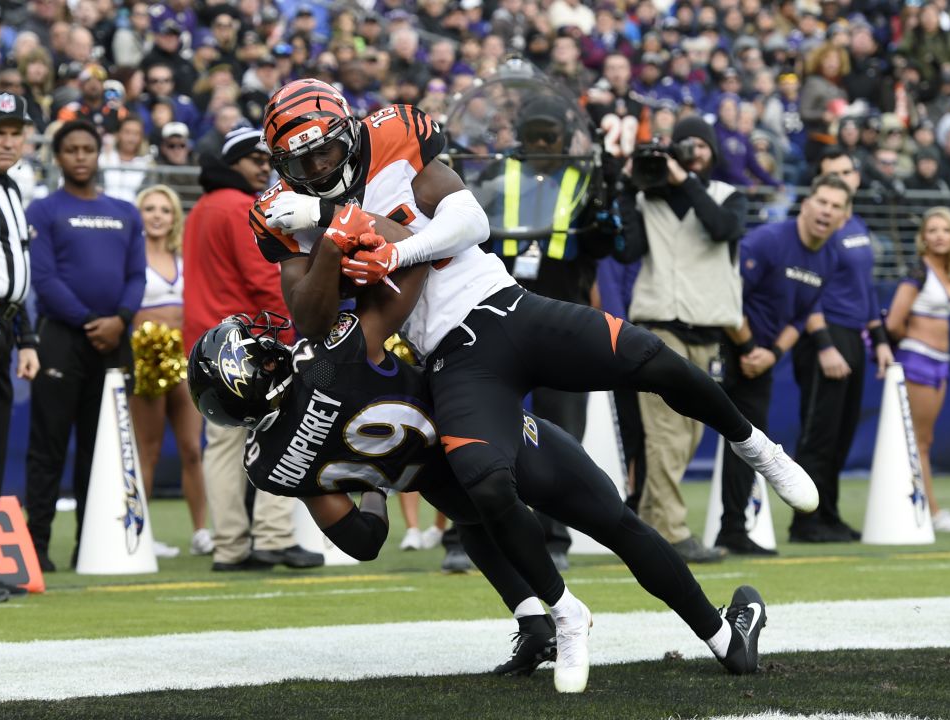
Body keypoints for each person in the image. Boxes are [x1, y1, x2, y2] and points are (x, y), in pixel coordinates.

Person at [253, 79, 816, 692]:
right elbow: (310, 314)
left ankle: (755, 446)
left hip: (506, 307)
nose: (316, 168)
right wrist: (336, 235)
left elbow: (470, 222)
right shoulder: (287, 216)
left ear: (349, 136)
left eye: (325, 153)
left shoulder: (393, 139)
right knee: (484, 488)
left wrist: (376, 240)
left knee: (651, 358)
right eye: (300, 161)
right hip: (451, 358)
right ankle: (562, 614)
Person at [185, 235, 769, 684]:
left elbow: (362, 542)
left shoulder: (273, 463)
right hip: (492, 435)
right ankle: (723, 639)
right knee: (617, 524)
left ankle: (534, 621)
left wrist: (374, 482)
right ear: (256, 369)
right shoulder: (328, 356)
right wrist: (370, 247)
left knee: (476, 519)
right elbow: (411, 269)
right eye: (254, 345)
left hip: (442, 485)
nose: (263, 338)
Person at [476, 92, 620, 570]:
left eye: (549, 136)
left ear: (565, 137)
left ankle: (556, 539)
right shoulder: (496, 175)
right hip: (499, 316)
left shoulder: (584, 178)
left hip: (562, 320)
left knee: (563, 436)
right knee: (481, 428)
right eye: (533, 135)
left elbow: (606, 245)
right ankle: (478, 535)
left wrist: (608, 202)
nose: (540, 144)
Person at [182, 127, 324, 572]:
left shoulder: (201, 208)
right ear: (231, 163)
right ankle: (274, 537)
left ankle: (229, 546)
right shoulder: (241, 208)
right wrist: (298, 327)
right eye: (253, 159)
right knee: (279, 434)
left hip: (207, 345)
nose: (263, 166)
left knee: (221, 446)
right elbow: (265, 278)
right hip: (248, 347)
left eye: (267, 159)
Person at [615, 115, 747, 564]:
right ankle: (673, 531)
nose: (693, 155)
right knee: (666, 434)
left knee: (688, 435)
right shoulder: (645, 199)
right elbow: (628, 251)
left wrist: (685, 179)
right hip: (658, 328)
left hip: (708, 333)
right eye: (684, 148)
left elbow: (721, 228)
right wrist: (628, 187)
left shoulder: (728, 195)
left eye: (700, 147)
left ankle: (647, 527)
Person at [24, 120, 146, 572]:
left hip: (115, 342)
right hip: (60, 339)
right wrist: (91, 321)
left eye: (87, 149)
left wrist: (120, 321)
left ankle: (91, 547)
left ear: (99, 155)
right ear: (57, 157)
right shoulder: (43, 210)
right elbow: (44, 278)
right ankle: (35, 549)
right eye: (71, 149)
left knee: (103, 450)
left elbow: (137, 275)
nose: (79, 156)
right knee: (48, 447)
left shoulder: (125, 212)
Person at [716, 174, 854, 555]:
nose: (827, 211)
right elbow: (727, 295)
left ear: (845, 216)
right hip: (724, 345)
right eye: (822, 201)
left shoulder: (829, 257)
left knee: (749, 443)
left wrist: (771, 356)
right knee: (680, 434)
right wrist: (747, 348)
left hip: (760, 358)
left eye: (836, 206)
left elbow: (801, 318)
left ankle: (732, 531)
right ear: (806, 204)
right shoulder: (767, 240)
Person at [789, 149, 894, 543]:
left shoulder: (857, 225)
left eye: (847, 172)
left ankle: (828, 513)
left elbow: (865, 288)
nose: (842, 178)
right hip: (825, 334)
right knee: (819, 432)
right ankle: (805, 520)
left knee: (841, 433)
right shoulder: (819, 233)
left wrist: (879, 337)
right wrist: (824, 344)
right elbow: (809, 291)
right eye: (833, 174)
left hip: (853, 335)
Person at [0, 91, 41, 603]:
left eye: (15, 132)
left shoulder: (11, 188)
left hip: (3, 327)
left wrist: (28, 338)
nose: (8, 141)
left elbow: (19, 272)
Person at [129, 184, 213, 556]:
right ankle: (142, 535)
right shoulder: (130, 256)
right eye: (149, 208)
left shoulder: (184, 255)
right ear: (139, 214)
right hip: (145, 356)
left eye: (164, 209)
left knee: (193, 448)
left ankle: (201, 532)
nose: (157, 215)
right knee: (146, 450)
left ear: (174, 215)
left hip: (184, 353)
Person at [885, 207, 950, 533]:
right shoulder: (918, 271)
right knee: (918, 441)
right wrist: (915, 346)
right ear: (923, 237)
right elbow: (894, 321)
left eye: (945, 230)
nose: (939, 235)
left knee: (925, 439)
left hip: (941, 362)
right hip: (918, 359)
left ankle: (917, 505)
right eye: (932, 230)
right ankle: (930, 511)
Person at [100, 116, 154, 204]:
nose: (131, 138)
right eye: (127, 132)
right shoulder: (103, 159)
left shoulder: (147, 164)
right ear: (118, 134)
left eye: (136, 133)